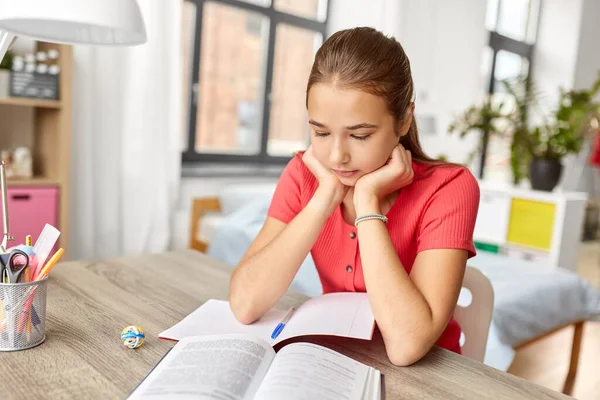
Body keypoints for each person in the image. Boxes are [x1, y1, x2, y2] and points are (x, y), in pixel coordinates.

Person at [229, 27, 480, 366]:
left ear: (404, 118)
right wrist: (324, 199)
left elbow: (407, 346)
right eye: (320, 131)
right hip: (338, 361)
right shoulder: (306, 175)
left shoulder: (449, 188)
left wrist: (367, 203)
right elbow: (245, 304)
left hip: (426, 378)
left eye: (359, 135)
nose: (336, 157)